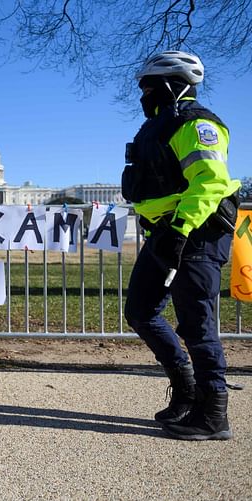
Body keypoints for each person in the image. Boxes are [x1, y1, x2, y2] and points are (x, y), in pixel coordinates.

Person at [122, 50, 240, 441]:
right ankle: (186, 389)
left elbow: (209, 183)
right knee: (140, 311)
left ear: (176, 86)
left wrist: (180, 228)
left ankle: (214, 413)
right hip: (165, 230)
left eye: (150, 87)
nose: (144, 95)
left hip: (198, 231)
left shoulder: (197, 124)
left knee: (197, 323)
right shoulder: (159, 126)